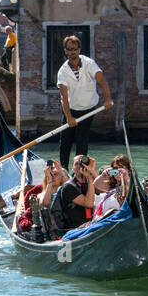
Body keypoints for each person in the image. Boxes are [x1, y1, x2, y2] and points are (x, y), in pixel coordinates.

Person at [56, 35, 113, 170]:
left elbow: (102, 81)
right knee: (65, 141)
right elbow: (64, 97)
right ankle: (63, 170)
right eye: (69, 49)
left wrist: (108, 99)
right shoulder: (63, 72)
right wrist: (69, 117)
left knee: (82, 141)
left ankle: (80, 172)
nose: (72, 52)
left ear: (79, 49)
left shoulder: (89, 64)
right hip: (72, 108)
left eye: (75, 49)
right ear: (65, 51)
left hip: (89, 108)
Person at [59, 153, 98, 233]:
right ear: (72, 168)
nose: (80, 166)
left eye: (82, 163)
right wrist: (90, 178)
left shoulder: (89, 183)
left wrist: (92, 170)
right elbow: (89, 203)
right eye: (76, 164)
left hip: (91, 224)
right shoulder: (68, 187)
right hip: (76, 229)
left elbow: (106, 188)